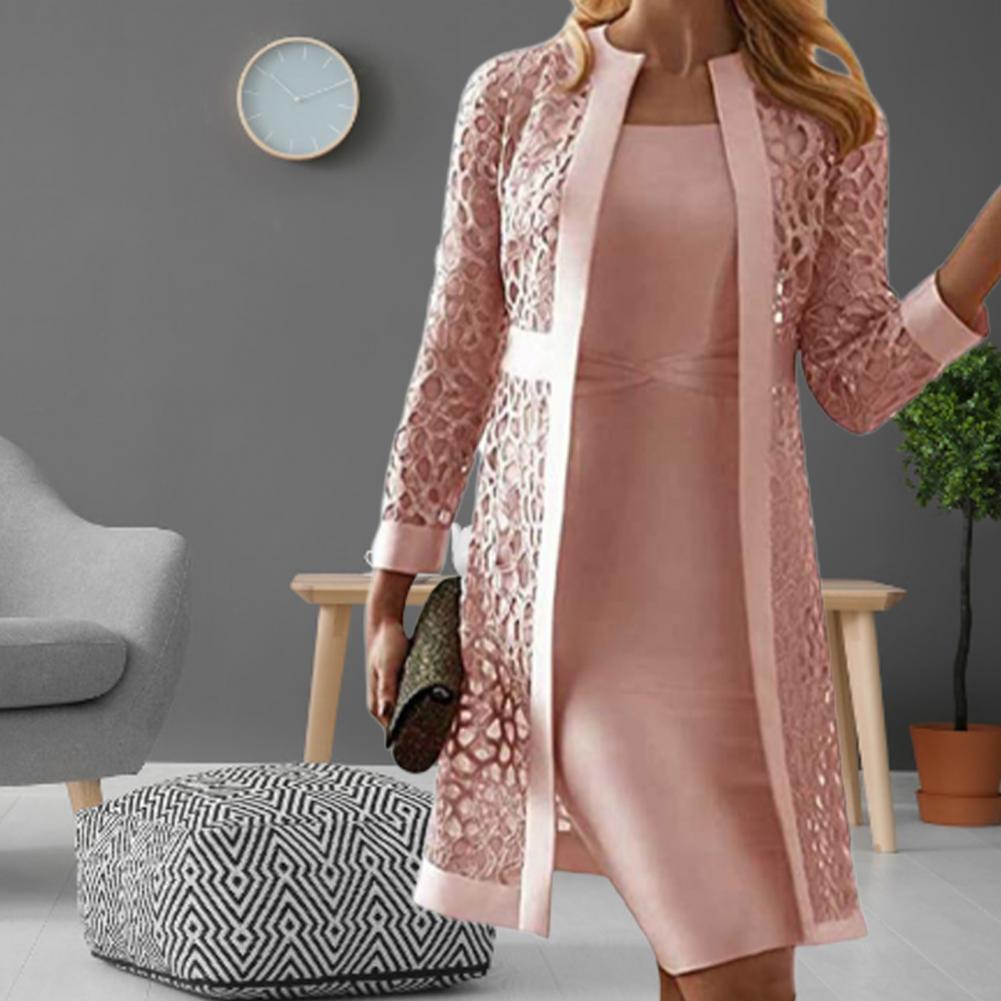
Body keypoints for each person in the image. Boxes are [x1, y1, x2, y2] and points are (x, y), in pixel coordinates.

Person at [364, 1, 1000, 998]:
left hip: (734, 628)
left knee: (713, 950)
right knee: (734, 966)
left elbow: (854, 379)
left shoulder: (823, 116)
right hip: (566, 615)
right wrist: (389, 587)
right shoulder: (515, 96)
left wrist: (990, 238)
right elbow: (457, 348)